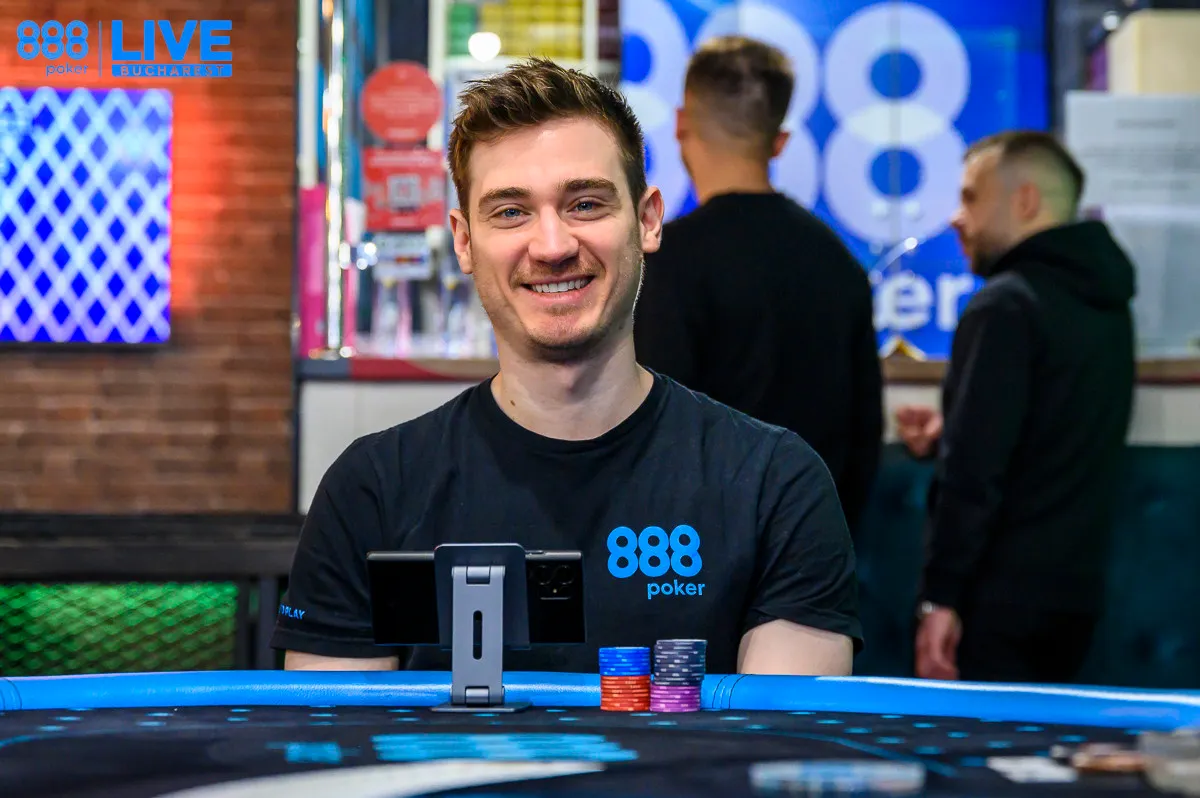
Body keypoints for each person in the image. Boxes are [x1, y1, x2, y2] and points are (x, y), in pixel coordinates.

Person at [272, 58, 862, 676]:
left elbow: (780, 734)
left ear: (648, 220)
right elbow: (338, 732)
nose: (552, 246)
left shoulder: (775, 487)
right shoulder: (372, 491)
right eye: (510, 212)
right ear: (464, 241)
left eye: (585, 204)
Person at [897, 130, 1136, 683]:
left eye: (971, 197)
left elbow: (973, 471)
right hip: (1075, 601)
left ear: (1025, 200)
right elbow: (1056, 423)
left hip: (994, 602)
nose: (956, 218)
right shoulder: (1107, 302)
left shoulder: (1004, 306)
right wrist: (952, 425)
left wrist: (940, 600)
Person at [633, 36, 882, 533]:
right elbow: (864, 433)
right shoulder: (838, 262)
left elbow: (653, 430)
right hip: (815, 541)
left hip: (698, 551)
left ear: (680, 123)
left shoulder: (667, 261)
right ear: (780, 141)